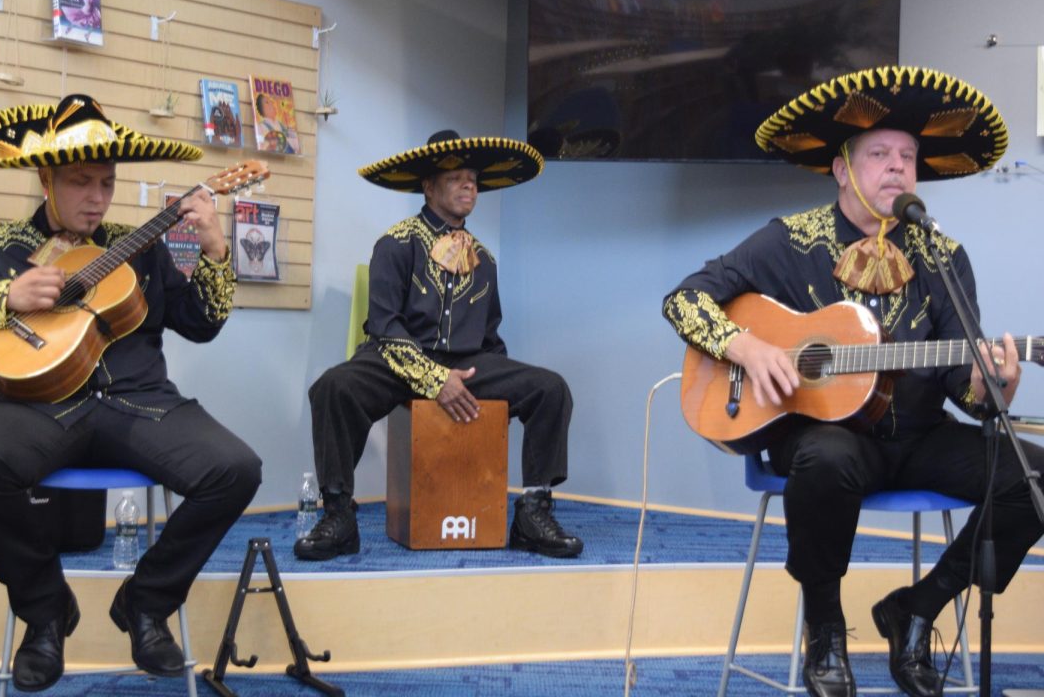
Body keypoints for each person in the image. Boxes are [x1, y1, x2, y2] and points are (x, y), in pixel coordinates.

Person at [662, 66, 1044, 697]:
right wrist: (747, 345)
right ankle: (827, 628)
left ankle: (918, 609)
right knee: (827, 458)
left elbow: (965, 387)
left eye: (908, 157)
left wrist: (995, 386)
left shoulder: (942, 257)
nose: (897, 167)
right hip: (822, 435)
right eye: (879, 155)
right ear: (843, 169)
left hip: (919, 435)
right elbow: (684, 301)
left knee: (1032, 482)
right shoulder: (788, 241)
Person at [0, 95, 263, 693]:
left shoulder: (140, 245)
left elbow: (202, 322)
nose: (96, 197)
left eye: (107, 183)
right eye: (80, 181)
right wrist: (1, 298)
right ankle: (43, 614)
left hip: (139, 402)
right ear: (45, 178)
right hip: (33, 406)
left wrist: (217, 253)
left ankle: (145, 603)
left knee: (237, 468)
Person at [295, 130, 583, 561]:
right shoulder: (395, 243)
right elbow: (386, 328)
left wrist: (493, 412)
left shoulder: (484, 260)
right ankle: (338, 513)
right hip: (396, 358)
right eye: (456, 179)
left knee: (550, 388)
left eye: (474, 179)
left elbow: (490, 340)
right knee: (333, 387)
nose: (470, 186)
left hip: (466, 363)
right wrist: (434, 379)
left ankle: (533, 511)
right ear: (429, 187)